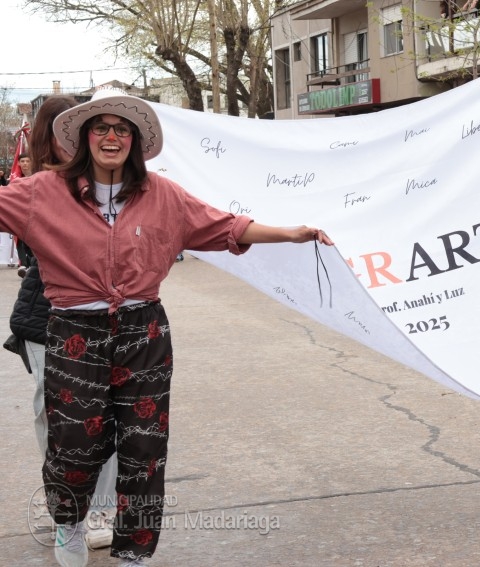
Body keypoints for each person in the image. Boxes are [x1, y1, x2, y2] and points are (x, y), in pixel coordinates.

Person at [0, 87, 333, 566]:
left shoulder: (163, 195)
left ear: (134, 141)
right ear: (85, 137)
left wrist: (290, 232)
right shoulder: (42, 193)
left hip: (143, 331)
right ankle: (69, 524)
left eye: (122, 129)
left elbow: (226, 227)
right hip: (76, 330)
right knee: (73, 442)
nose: (111, 137)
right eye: (101, 128)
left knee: (144, 445)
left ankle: (134, 550)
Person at [4, 95, 120, 549]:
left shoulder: (108, 183)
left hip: (103, 315)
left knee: (105, 413)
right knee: (53, 416)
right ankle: (69, 509)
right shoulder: (33, 188)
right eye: (65, 129)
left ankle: (101, 509)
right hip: (45, 315)